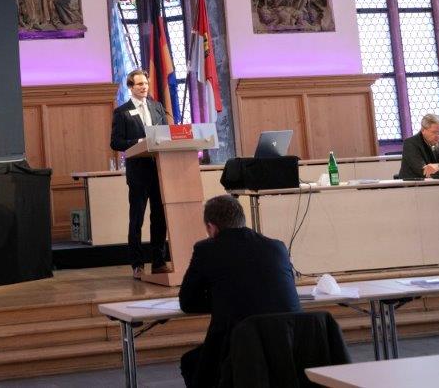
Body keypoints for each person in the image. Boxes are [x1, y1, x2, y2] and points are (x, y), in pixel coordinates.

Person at [179, 195, 300, 388]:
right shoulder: (276, 246)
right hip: (289, 346)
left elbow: (188, 302)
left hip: (237, 348)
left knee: (191, 362)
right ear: (242, 220)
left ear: (211, 227)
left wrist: (222, 298)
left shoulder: (206, 249)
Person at [110, 69, 169, 279]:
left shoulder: (157, 107)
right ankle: (137, 264)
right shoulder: (122, 112)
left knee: (159, 217)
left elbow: (166, 134)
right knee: (137, 219)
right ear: (130, 87)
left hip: (159, 170)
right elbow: (116, 142)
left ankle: (159, 262)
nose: (144, 87)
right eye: (139, 84)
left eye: (145, 83)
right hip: (138, 173)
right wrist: (139, 142)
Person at [398, 113, 439, 180]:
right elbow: (425, 173)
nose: (438, 136)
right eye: (434, 132)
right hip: (415, 185)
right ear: (423, 130)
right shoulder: (411, 144)